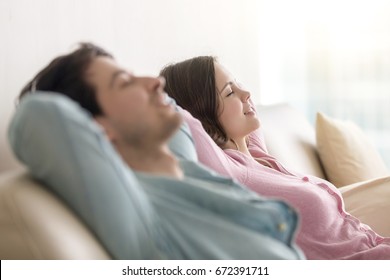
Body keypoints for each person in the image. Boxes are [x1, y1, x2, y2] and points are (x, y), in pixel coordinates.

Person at [9, 43, 304, 260]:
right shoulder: (136, 211)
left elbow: (171, 105)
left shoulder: (186, 168)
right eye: (125, 83)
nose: (156, 82)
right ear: (97, 128)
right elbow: (38, 116)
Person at [160, 56, 390, 259]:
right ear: (202, 114)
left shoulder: (256, 154)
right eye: (230, 92)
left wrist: (230, 89)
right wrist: (157, 90)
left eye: (238, 84)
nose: (246, 93)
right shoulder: (232, 172)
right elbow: (180, 117)